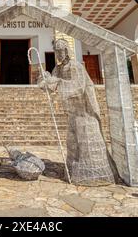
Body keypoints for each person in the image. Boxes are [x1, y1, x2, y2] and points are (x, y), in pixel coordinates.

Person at [38, 39, 117, 185]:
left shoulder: (76, 66)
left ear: (67, 51)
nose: (58, 54)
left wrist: (56, 82)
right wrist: (44, 81)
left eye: (61, 50)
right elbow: (52, 88)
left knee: (87, 143)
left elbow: (78, 87)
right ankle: (76, 172)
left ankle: (95, 174)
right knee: (73, 144)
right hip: (73, 114)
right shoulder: (58, 69)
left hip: (85, 112)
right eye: (56, 51)